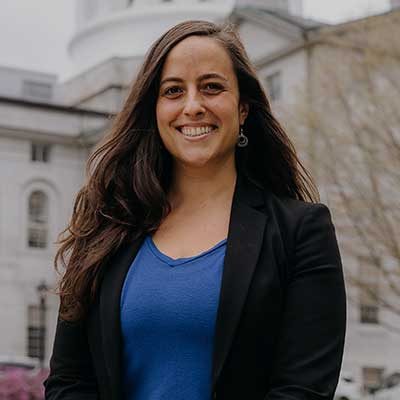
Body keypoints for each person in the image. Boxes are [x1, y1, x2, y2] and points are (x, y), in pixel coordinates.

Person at [44, 20, 346, 400]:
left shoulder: (301, 232)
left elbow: (303, 390)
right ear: (153, 110)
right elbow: (68, 383)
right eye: (173, 91)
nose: (193, 106)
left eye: (212, 87)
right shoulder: (106, 225)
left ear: (243, 109)